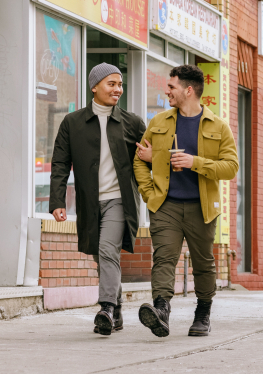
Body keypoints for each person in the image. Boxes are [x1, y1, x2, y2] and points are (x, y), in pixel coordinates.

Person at [133, 64, 238, 338]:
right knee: (164, 258)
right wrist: (149, 193)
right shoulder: (159, 123)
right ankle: (161, 310)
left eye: (172, 87)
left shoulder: (219, 126)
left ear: (188, 90)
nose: (166, 91)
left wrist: (196, 162)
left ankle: (203, 312)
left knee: (203, 262)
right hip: (165, 205)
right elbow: (139, 159)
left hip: (201, 207)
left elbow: (231, 167)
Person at [49, 63, 147, 336]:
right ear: (94, 86)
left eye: (120, 84)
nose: (118, 89)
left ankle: (104, 308)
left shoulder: (132, 122)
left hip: (120, 200)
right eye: (111, 84)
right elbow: (60, 163)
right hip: (90, 202)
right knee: (101, 255)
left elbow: (149, 160)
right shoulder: (73, 122)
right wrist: (57, 200)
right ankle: (116, 308)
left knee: (106, 249)